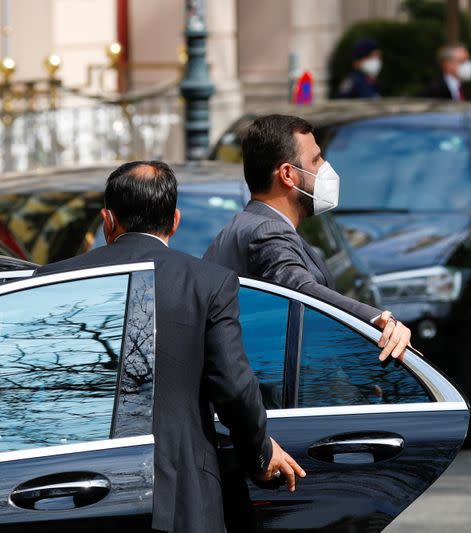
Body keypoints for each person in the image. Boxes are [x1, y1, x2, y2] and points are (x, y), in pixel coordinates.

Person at [35, 161, 305, 533]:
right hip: (179, 496)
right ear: (175, 221)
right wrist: (259, 453)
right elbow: (233, 386)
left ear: (108, 221)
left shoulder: (51, 282)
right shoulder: (209, 283)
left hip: (66, 491)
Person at [204, 114, 411, 362]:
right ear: (288, 174)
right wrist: (377, 319)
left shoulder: (252, 224)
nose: (325, 167)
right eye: (315, 160)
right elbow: (301, 292)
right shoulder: (266, 231)